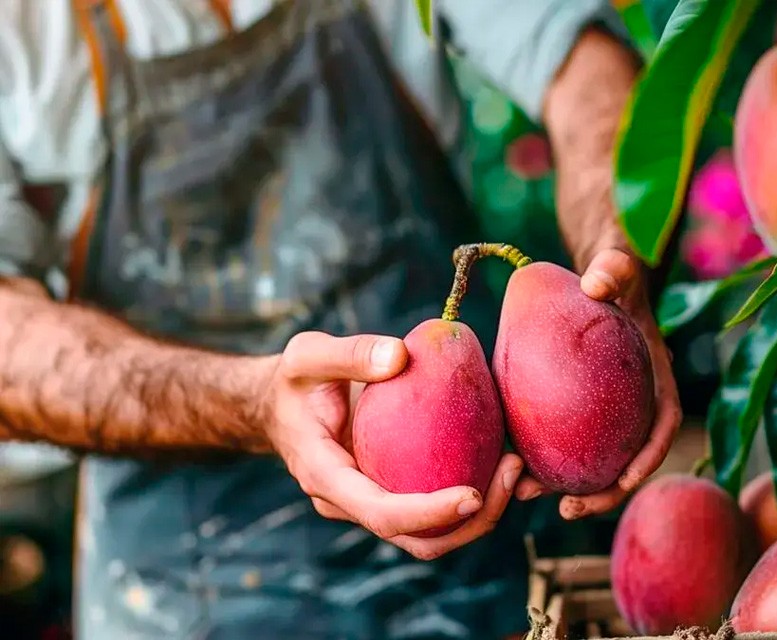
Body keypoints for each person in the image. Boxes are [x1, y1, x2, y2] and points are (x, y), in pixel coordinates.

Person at [0, 0, 682, 638]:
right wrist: (253, 403)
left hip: (489, 554)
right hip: (183, 597)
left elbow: (578, 60)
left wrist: (612, 245)